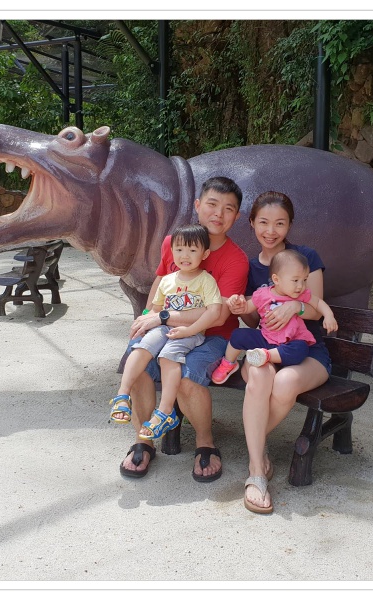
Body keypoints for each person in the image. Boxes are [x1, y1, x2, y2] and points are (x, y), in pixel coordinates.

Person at [118, 176, 249, 480]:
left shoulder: (236, 260)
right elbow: (160, 282)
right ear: (198, 206)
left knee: (189, 375)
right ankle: (144, 439)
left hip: (215, 335)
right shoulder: (174, 241)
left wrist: (162, 318)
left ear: (236, 216)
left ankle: (205, 443)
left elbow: (216, 315)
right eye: (212, 204)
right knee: (138, 360)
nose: (219, 213)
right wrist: (148, 315)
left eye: (228, 208)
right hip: (166, 326)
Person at [231, 191, 334, 514]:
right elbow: (251, 317)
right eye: (263, 222)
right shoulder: (250, 267)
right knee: (260, 377)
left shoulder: (305, 258)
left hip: (307, 350)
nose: (271, 230)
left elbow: (316, 310)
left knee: (286, 382)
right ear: (251, 224)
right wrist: (243, 306)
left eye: (279, 223)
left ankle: (254, 451)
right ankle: (257, 473)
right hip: (263, 346)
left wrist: (292, 307)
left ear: (290, 225)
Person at [109, 224, 222, 440]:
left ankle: (165, 411)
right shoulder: (168, 280)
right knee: (140, 348)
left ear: (205, 253)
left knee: (168, 357)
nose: (184, 255)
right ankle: (122, 396)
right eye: (179, 250)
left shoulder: (205, 280)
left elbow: (213, 312)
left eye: (192, 250)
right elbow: (156, 309)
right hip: (164, 328)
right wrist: (145, 319)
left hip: (190, 332)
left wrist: (189, 330)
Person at [211, 249, 337, 384]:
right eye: (295, 280)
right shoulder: (262, 294)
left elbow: (318, 303)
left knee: (300, 349)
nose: (301, 286)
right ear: (276, 279)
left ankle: (266, 356)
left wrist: (329, 316)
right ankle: (228, 363)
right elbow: (246, 307)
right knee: (238, 335)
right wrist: (237, 303)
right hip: (266, 338)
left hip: (291, 342)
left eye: (304, 280)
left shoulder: (302, 295)